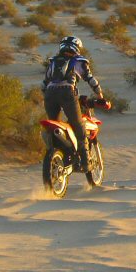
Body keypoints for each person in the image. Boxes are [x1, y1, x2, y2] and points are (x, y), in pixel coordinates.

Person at [42, 36, 106, 171]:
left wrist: (46, 96)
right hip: (67, 94)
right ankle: (85, 162)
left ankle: (62, 155)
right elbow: (90, 79)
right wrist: (100, 96)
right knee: (78, 126)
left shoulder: (53, 62)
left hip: (49, 95)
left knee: (55, 126)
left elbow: (44, 83)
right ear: (76, 47)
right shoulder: (78, 61)